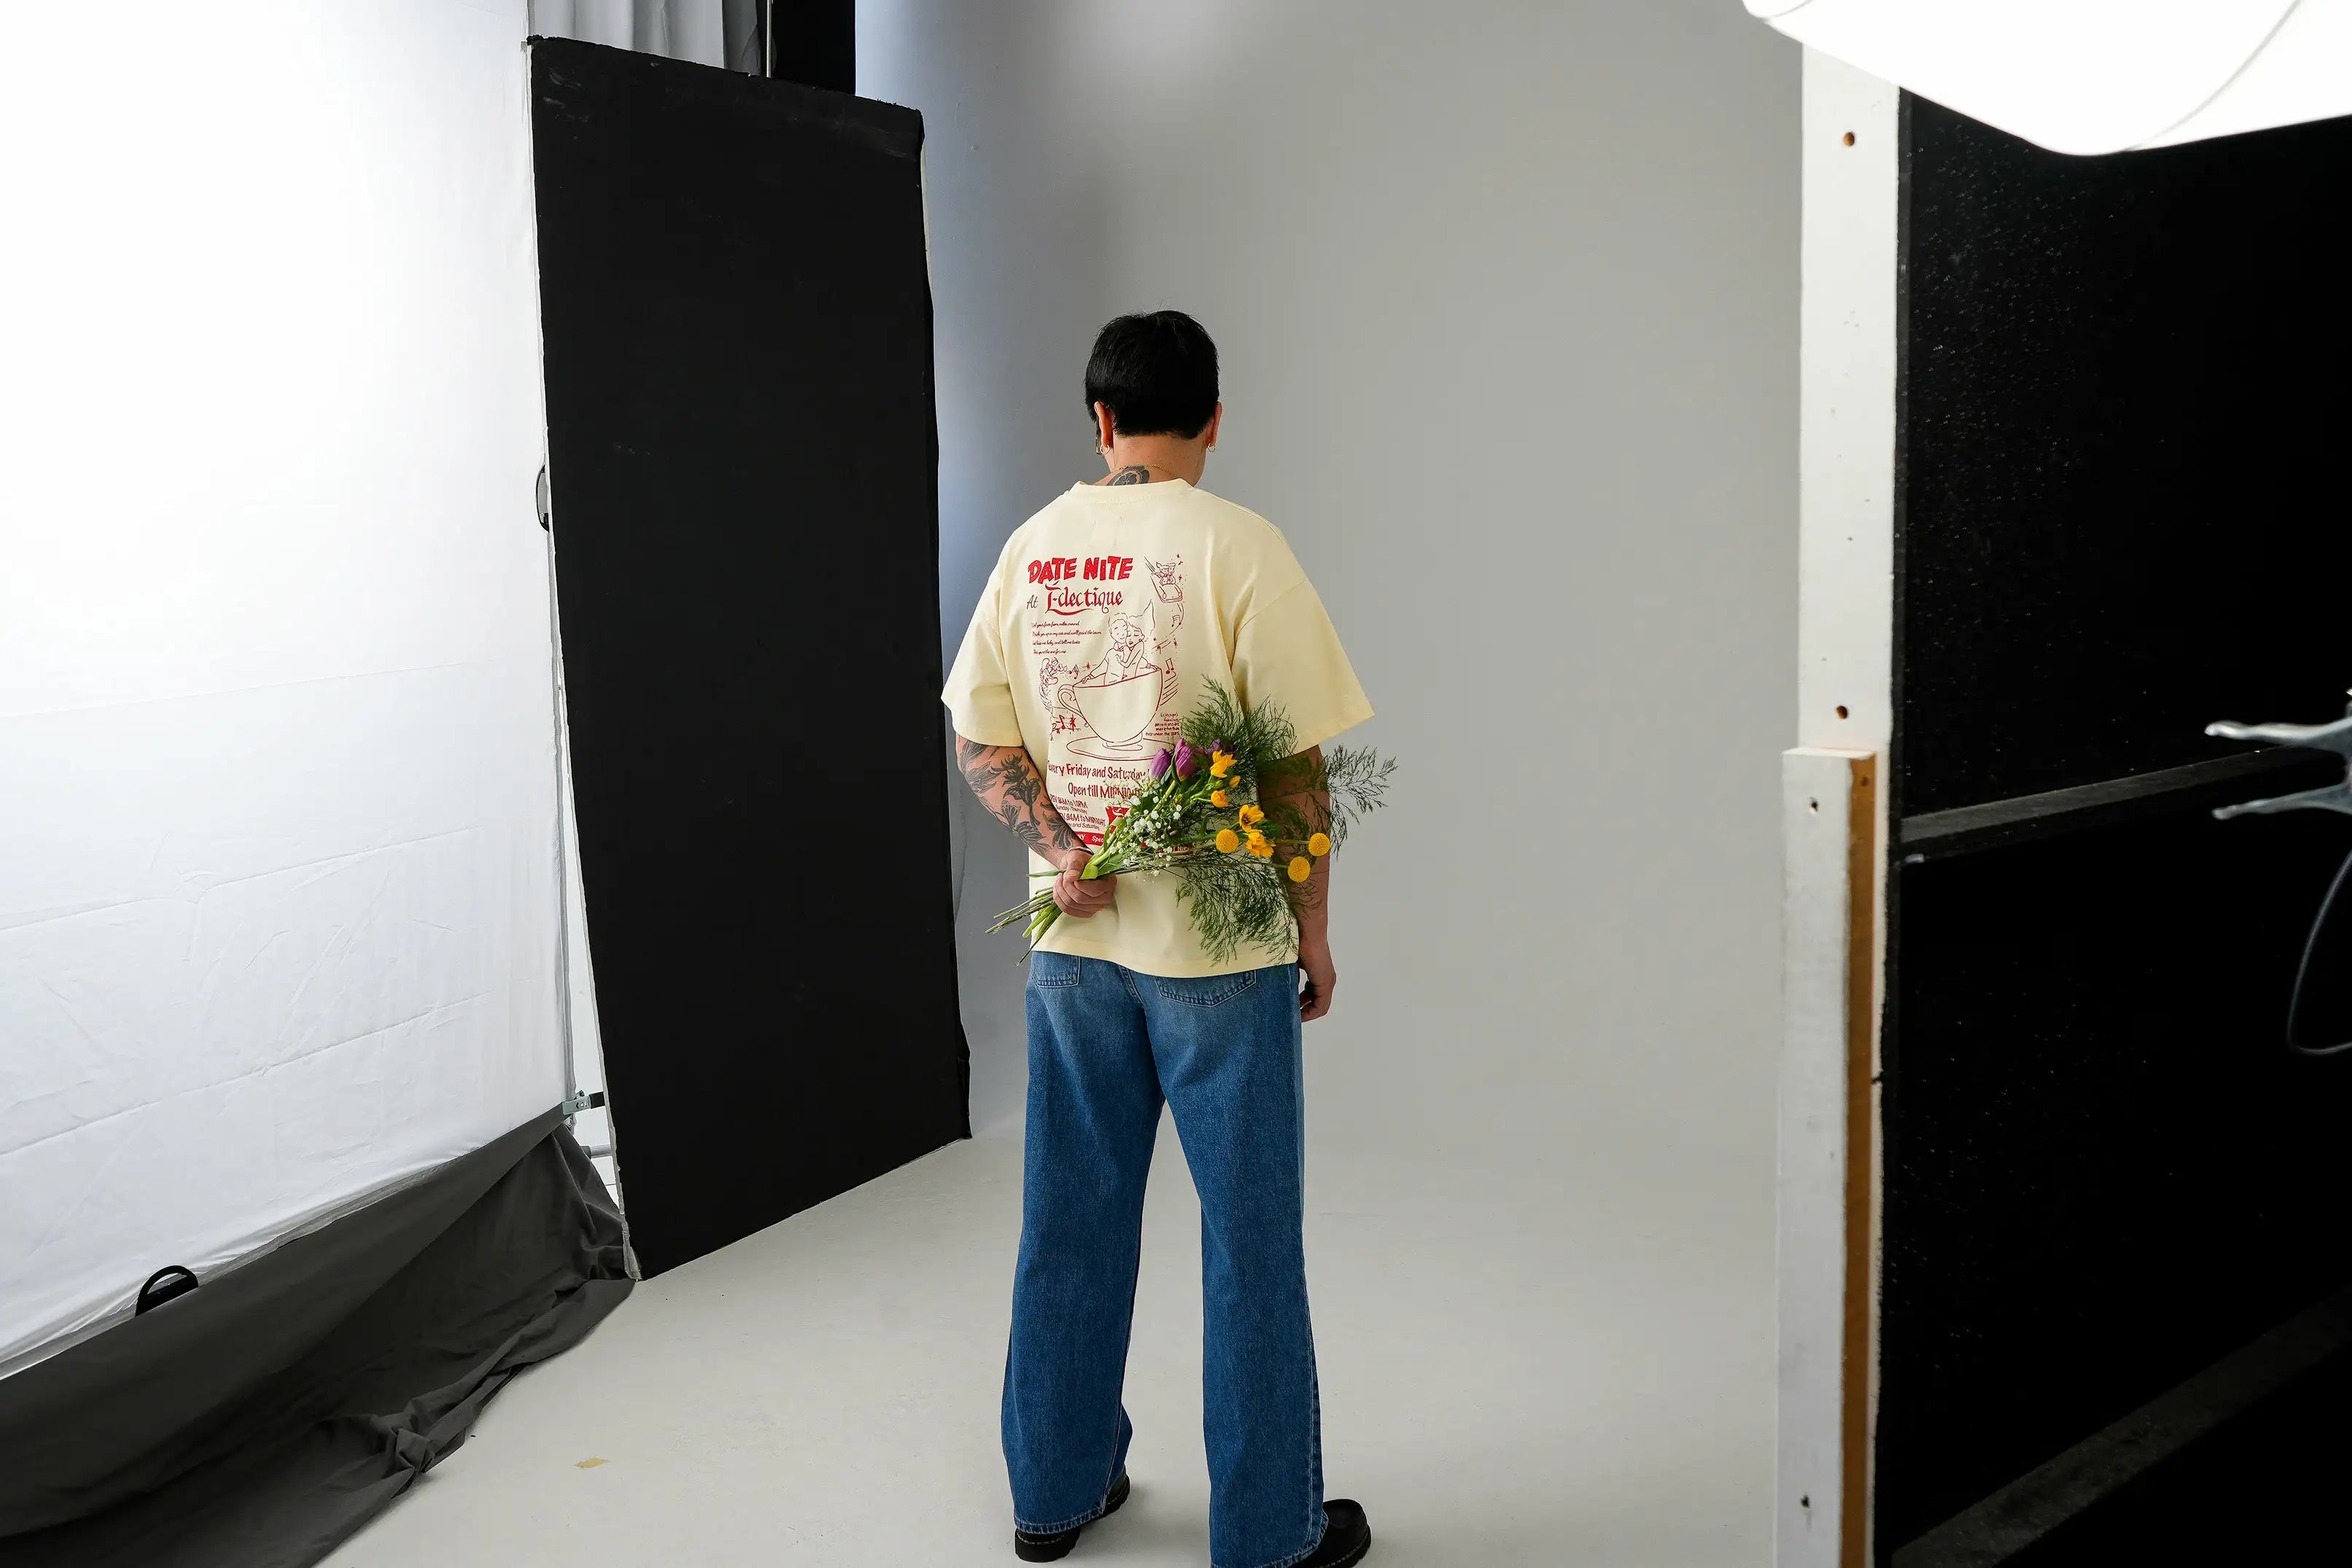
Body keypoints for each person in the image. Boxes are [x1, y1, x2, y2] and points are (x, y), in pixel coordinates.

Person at [943, 311, 1375, 1568]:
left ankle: (1055, 1492)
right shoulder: (1240, 546)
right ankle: (1268, 1535)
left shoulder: (1032, 546)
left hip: (1071, 954)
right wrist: (1312, 926)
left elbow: (979, 740)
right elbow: (1292, 773)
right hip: (1218, 960)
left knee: (1068, 1224)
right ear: (1215, 420)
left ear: (1099, 419)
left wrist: (1063, 846)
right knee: (1248, 1247)